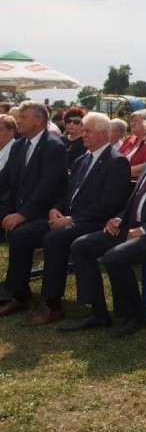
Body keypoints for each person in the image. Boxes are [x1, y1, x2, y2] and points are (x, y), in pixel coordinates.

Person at [63, 116, 146, 337]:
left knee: (115, 256)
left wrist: (143, 230)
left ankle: (133, 315)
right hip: (133, 228)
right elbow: (134, 200)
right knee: (81, 246)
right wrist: (118, 217)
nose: (144, 139)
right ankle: (97, 312)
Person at [4, 113, 131, 325]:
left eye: (87, 130)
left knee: (54, 239)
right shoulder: (83, 159)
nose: (83, 134)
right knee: (20, 234)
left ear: (103, 134)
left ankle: (54, 305)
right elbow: (65, 191)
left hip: (95, 221)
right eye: (83, 130)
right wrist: (55, 208)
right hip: (68, 218)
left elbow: (109, 204)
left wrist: (72, 219)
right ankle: (19, 294)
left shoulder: (116, 162)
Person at [0, 102, 70, 317]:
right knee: (16, 230)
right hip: (20, 209)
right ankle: (15, 290)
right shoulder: (20, 145)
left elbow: (47, 187)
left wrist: (23, 214)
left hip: (45, 213)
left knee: (20, 234)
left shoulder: (53, 146)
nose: (18, 120)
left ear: (38, 120)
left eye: (23, 117)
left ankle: (21, 295)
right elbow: (7, 179)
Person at [118, 109, 146, 180]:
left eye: (135, 121)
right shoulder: (129, 140)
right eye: (131, 121)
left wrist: (121, 171)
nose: (132, 124)